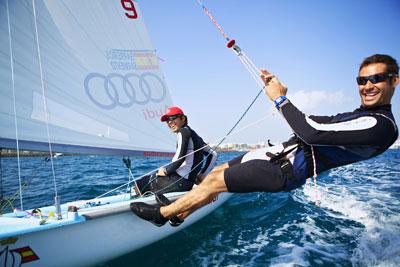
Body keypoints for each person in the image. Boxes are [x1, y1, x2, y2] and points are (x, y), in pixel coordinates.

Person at [130, 54, 399, 227]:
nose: (368, 85)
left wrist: (280, 99)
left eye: (376, 79)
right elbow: (314, 122)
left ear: (394, 81)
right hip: (277, 153)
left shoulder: (380, 125)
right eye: (362, 80)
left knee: (212, 182)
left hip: (286, 169)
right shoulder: (359, 116)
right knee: (214, 174)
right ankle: (181, 214)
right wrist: (283, 96)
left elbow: (312, 133)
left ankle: (161, 216)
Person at [132, 106, 217, 197]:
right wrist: (202, 174)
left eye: (172, 118)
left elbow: (179, 158)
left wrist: (166, 171)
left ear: (183, 118)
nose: (170, 122)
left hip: (179, 182)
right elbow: (213, 154)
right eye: (167, 120)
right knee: (152, 179)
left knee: (141, 183)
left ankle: (134, 205)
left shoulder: (182, 132)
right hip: (188, 183)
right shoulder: (194, 135)